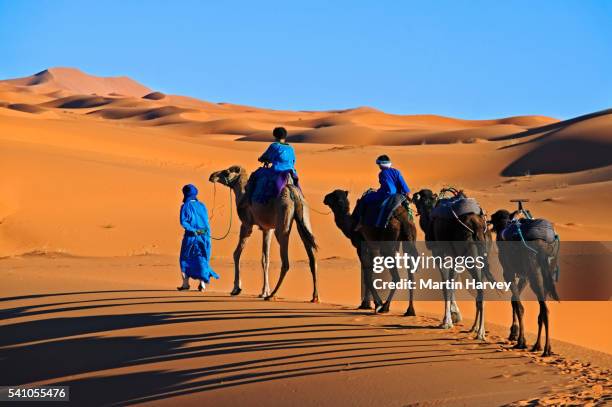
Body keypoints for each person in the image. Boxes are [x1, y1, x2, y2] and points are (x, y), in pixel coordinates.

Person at [177, 184, 219, 291]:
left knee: (185, 259)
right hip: (204, 237)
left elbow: (183, 222)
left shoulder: (185, 206)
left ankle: (185, 284)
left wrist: (194, 231)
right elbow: (206, 222)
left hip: (191, 237)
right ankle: (202, 284)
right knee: (202, 258)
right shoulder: (202, 205)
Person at [355, 155, 410, 229]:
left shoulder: (382, 173)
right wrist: (407, 193)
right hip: (400, 195)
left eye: (379, 165)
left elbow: (389, 189)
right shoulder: (396, 171)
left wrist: (379, 191)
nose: (379, 166)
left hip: (387, 194)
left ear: (382, 165)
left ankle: (360, 222)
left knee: (365, 198)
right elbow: (404, 185)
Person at [248, 127, 300, 203]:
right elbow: (293, 161)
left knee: (255, 175)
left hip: (277, 171)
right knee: (297, 187)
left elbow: (265, 157)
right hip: (291, 172)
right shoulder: (290, 148)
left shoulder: (274, 146)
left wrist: (262, 159)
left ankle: (251, 200)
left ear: (275, 136)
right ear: (285, 136)